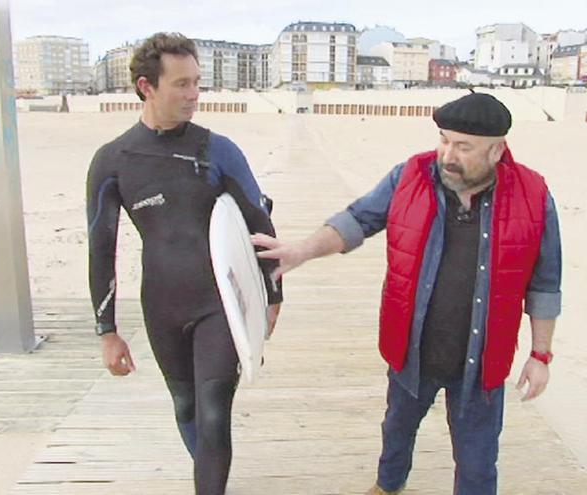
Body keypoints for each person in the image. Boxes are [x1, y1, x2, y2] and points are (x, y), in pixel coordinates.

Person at [253, 92, 562, 494]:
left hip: (482, 360)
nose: (447, 154)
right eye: (443, 140)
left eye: (463, 147)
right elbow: (357, 220)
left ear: (497, 149)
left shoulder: (533, 195)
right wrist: (302, 251)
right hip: (411, 347)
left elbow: (545, 282)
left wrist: (540, 355)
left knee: (478, 461)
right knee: (397, 428)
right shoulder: (411, 176)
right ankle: (388, 486)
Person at [86, 32, 282, 495]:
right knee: (185, 407)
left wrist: (272, 297)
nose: (194, 94)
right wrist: (108, 331)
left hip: (219, 302)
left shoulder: (218, 151)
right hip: (162, 305)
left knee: (214, 410)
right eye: (181, 84)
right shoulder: (113, 162)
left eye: (197, 82)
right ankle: (209, 476)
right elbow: (101, 248)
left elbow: (261, 226)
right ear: (145, 86)